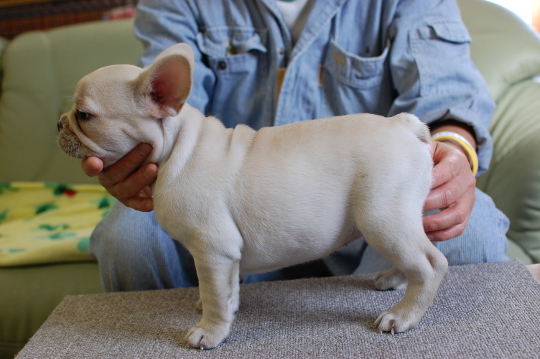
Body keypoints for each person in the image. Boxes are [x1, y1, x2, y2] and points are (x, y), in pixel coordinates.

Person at [83, 0, 509, 292]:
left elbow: (445, 94)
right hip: (226, 218)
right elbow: (162, 107)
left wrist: (453, 149)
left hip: (364, 219)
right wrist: (134, 162)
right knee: (130, 236)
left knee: (471, 231)